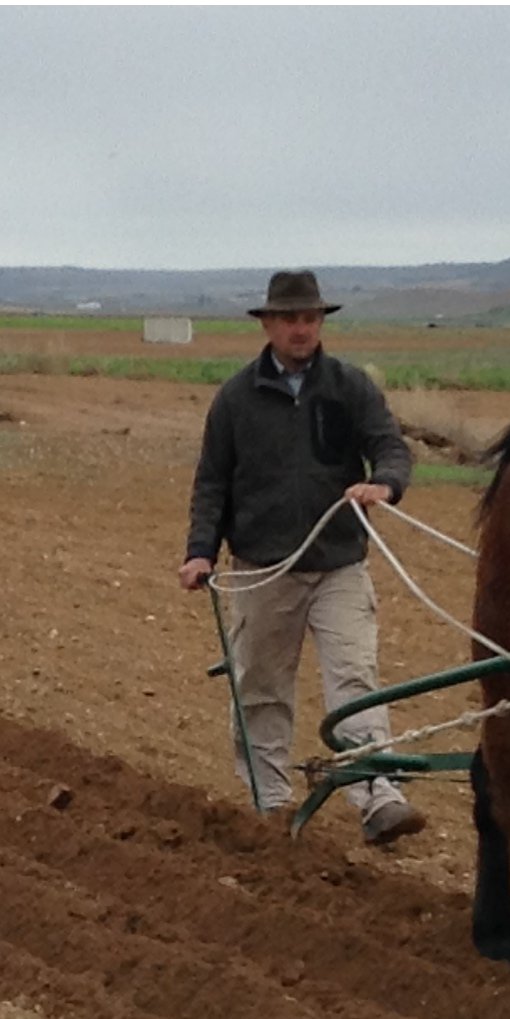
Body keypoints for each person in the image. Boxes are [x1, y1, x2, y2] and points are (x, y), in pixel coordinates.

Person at [179, 269, 421, 844]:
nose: (301, 328)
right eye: (290, 318)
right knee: (261, 687)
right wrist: (199, 552)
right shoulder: (235, 398)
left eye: (310, 318)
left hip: (339, 564)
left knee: (355, 678)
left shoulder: (349, 386)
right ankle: (270, 802)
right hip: (263, 568)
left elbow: (389, 446)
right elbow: (212, 482)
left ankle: (377, 794)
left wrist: (385, 484)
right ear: (267, 325)